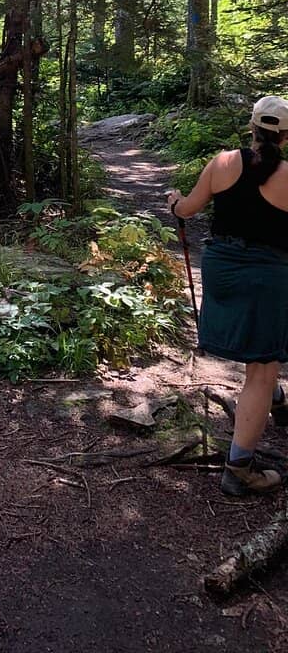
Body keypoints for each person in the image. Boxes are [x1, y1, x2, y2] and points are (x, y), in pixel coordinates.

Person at [166, 95, 288, 497]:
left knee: (260, 351)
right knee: (262, 364)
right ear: (285, 136)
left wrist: (173, 202)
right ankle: (238, 470)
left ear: (251, 127)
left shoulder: (222, 163)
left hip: (219, 268)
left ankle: (275, 399)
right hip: (266, 275)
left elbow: (187, 210)